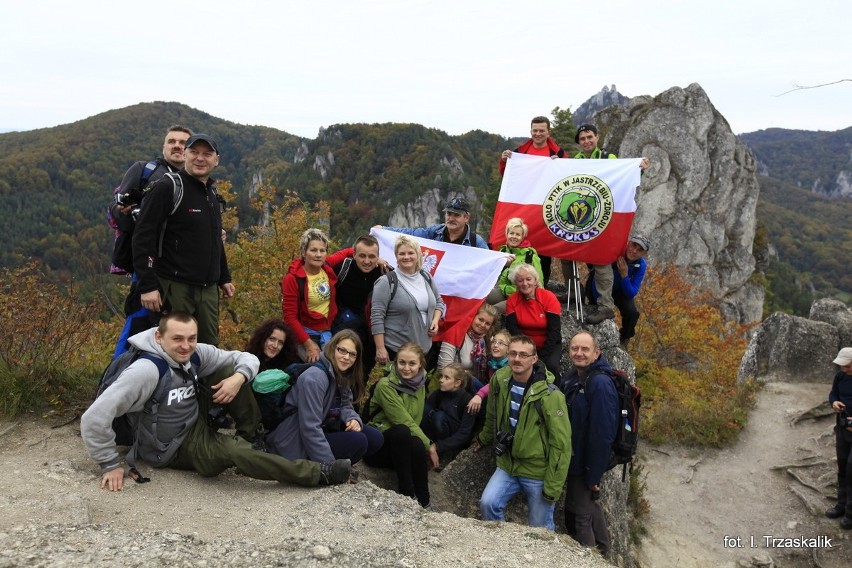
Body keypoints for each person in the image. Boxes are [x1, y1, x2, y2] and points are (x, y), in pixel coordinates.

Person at [81, 312, 353, 492]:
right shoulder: (146, 372)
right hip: (172, 446)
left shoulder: (195, 354)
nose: (186, 346)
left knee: (229, 371)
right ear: (158, 337)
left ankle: (252, 435)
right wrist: (109, 463)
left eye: (191, 338)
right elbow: (94, 417)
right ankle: (317, 473)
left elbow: (247, 359)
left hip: (194, 419)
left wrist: (237, 378)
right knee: (236, 452)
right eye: (177, 339)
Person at [132, 133, 259, 442]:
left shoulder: (211, 193)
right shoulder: (168, 187)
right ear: (185, 156)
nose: (200, 158)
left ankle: (204, 417)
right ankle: (164, 417)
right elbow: (143, 237)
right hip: (175, 285)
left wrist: (224, 276)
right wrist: (148, 285)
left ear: (216, 160)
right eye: (194, 152)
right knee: (174, 353)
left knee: (208, 353)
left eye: (207, 153)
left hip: (206, 289)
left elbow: (215, 241)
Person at [473, 335, 571, 530]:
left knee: (539, 529)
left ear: (534, 359)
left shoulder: (550, 395)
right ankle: (506, 550)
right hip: (508, 464)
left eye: (523, 355)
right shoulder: (500, 380)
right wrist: (483, 439)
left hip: (537, 470)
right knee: (488, 504)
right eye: (513, 353)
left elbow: (561, 444)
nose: (517, 359)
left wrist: (552, 487)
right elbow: (492, 415)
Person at [111, 125, 192, 356]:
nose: (177, 146)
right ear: (164, 147)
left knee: (170, 329)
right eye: (172, 141)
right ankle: (114, 382)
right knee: (138, 325)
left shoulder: (194, 181)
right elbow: (115, 210)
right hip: (149, 264)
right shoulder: (144, 170)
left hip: (181, 269)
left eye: (183, 142)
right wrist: (130, 213)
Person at [266, 330, 383, 465]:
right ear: (332, 348)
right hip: (295, 439)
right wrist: (330, 467)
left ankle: (337, 462)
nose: (346, 357)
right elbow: (310, 428)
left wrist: (353, 419)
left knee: (375, 438)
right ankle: (322, 465)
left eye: (352, 354)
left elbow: (345, 405)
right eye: (342, 350)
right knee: (359, 441)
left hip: (325, 426)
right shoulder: (315, 378)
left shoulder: (342, 374)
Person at [572, 124, 649, 326]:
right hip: (580, 217)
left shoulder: (608, 158)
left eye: (590, 137)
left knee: (602, 259)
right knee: (566, 252)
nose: (587, 141)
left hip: (603, 218)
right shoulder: (574, 161)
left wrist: (638, 170)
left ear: (597, 137)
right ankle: (572, 291)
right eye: (582, 138)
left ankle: (605, 307)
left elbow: (624, 178)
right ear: (579, 143)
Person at [559, 331, 619, 554]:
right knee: (590, 508)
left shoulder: (600, 384)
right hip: (577, 457)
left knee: (580, 517)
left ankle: (590, 559)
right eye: (575, 348)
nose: (579, 353)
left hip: (586, 462)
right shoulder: (574, 376)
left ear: (597, 353)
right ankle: (604, 552)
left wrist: (593, 474)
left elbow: (602, 434)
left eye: (585, 349)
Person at [365, 342, 438, 508]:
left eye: (412, 363)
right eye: (402, 362)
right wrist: (430, 446)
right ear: (395, 362)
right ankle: (406, 494)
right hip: (378, 446)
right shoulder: (385, 385)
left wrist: (424, 445)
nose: (406, 368)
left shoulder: (420, 384)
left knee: (417, 443)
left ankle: (424, 500)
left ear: (420, 365)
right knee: (402, 431)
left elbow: (415, 420)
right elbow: (403, 420)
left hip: (401, 447)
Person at [498, 116, 567, 285]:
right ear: (530, 131)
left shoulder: (558, 154)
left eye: (541, 130)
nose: (538, 134)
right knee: (518, 248)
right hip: (524, 207)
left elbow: (567, 178)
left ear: (548, 132)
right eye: (535, 130)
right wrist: (504, 161)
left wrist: (560, 165)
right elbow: (507, 177)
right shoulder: (520, 152)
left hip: (546, 210)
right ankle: (512, 287)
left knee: (543, 252)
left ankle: (540, 291)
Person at [371, 235, 445, 365]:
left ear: (418, 255)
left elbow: (439, 302)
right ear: (396, 256)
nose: (406, 257)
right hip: (397, 352)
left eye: (411, 253)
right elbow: (377, 316)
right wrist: (380, 348)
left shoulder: (426, 277)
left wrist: (435, 320)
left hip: (424, 351)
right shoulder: (386, 282)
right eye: (402, 253)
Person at [281, 228, 350, 363]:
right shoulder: (293, 279)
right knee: (318, 368)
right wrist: (308, 344)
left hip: (327, 332)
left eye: (322, 250)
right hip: (305, 334)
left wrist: (378, 259)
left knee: (337, 367)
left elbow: (349, 251)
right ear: (303, 252)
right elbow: (289, 317)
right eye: (313, 250)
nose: (318, 254)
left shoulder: (326, 267)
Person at [329, 234, 386, 373]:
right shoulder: (343, 268)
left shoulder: (384, 273)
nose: (367, 261)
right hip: (343, 331)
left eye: (372, 257)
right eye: (362, 256)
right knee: (338, 373)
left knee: (362, 375)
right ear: (353, 254)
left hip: (370, 338)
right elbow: (317, 264)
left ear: (378, 257)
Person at [585, 235, 651, 348]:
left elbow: (632, 292)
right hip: (600, 287)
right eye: (634, 245)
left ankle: (624, 338)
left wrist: (624, 275)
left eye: (640, 250)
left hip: (620, 290)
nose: (634, 251)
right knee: (595, 308)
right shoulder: (615, 251)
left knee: (632, 313)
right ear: (628, 243)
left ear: (643, 254)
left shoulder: (640, 265)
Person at [504, 263, 562, 374]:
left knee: (550, 366)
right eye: (520, 280)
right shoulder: (512, 300)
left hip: (549, 344)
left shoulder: (548, 297)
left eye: (528, 279)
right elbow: (512, 328)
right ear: (516, 283)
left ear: (535, 281)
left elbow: (554, 331)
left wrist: (541, 357)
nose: (525, 284)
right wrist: (529, 351)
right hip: (523, 344)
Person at [422, 363, 476, 470]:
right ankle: (427, 449)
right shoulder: (439, 393)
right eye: (441, 376)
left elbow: (464, 433)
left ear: (457, 383)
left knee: (439, 417)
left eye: (446, 378)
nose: (441, 380)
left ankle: (445, 454)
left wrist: (439, 446)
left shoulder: (467, 400)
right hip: (436, 434)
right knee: (425, 409)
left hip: (453, 438)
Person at [380, 196, 488, 249]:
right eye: (449, 214)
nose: (451, 218)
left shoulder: (476, 242)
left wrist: (503, 260)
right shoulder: (434, 232)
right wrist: (383, 230)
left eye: (456, 215)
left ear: (466, 218)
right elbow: (410, 233)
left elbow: (490, 263)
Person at [486, 217, 543, 314]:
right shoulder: (502, 252)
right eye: (511, 233)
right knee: (480, 299)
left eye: (518, 234)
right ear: (507, 234)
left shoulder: (530, 255)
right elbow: (493, 276)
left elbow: (539, 282)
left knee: (492, 311)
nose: (514, 237)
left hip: (521, 295)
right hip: (503, 290)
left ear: (522, 237)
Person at [437, 303, 498, 391]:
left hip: (472, 388)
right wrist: (466, 375)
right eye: (480, 319)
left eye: (487, 323)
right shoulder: (456, 332)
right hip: (453, 388)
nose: (483, 325)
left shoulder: (486, 339)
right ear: (473, 316)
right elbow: (443, 368)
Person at [826, 347, 852, 529]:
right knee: (842, 468)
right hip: (842, 429)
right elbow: (833, 393)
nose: (844, 369)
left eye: (848, 366)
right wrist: (834, 402)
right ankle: (841, 505)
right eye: (842, 365)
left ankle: (850, 513)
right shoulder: (840, 377)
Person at [466, 329, 511, 414]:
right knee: (466, 376)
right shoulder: (490, 359)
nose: (495, 345)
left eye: (500, 343)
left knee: (471, 379)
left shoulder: (509, 365)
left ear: (509, 349)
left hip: (501, 400)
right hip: (490, 395)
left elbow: (495, 383)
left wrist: (479, 395)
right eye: (494, 342)